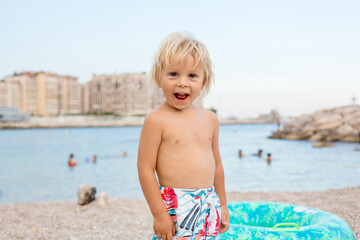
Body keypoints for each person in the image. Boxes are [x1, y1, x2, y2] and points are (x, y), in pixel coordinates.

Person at [137, 32, 229, 240]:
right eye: (173, 74)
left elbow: (217, 165)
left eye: (192, 76)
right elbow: (145, 169)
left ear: (203, 82)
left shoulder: (210, 119)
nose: (182, 83)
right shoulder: (156, 120)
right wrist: (159, 213)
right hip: (174, 205)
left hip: (208, 201)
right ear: (158, 78)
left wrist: (222, 203)